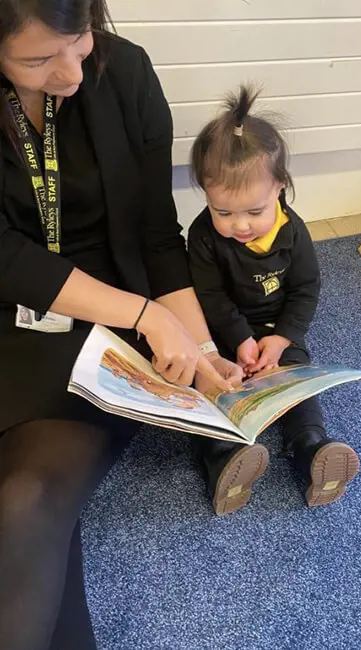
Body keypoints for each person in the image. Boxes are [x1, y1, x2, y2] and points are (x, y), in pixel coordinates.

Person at [0, 2, 242, 649]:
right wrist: (148, 315)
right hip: (11, 309)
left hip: (98, 326)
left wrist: (197, 345)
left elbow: (156, 236)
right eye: (36, 58)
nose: (71, 72)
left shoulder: (126, 72)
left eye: (78, 41)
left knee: (26, 497)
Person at [188, 86, 360, 516]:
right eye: (222, 212)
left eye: (253, 211)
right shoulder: (203, 235)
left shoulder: (294, 231)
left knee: (298, 380)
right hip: (221, 331)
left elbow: (306, 289)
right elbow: (207, 294)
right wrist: (240, 341)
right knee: (202, 380)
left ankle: (310, 447)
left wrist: (282, 339)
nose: (239, 225)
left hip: (276, 332)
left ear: (280, 187)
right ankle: (223, 455)